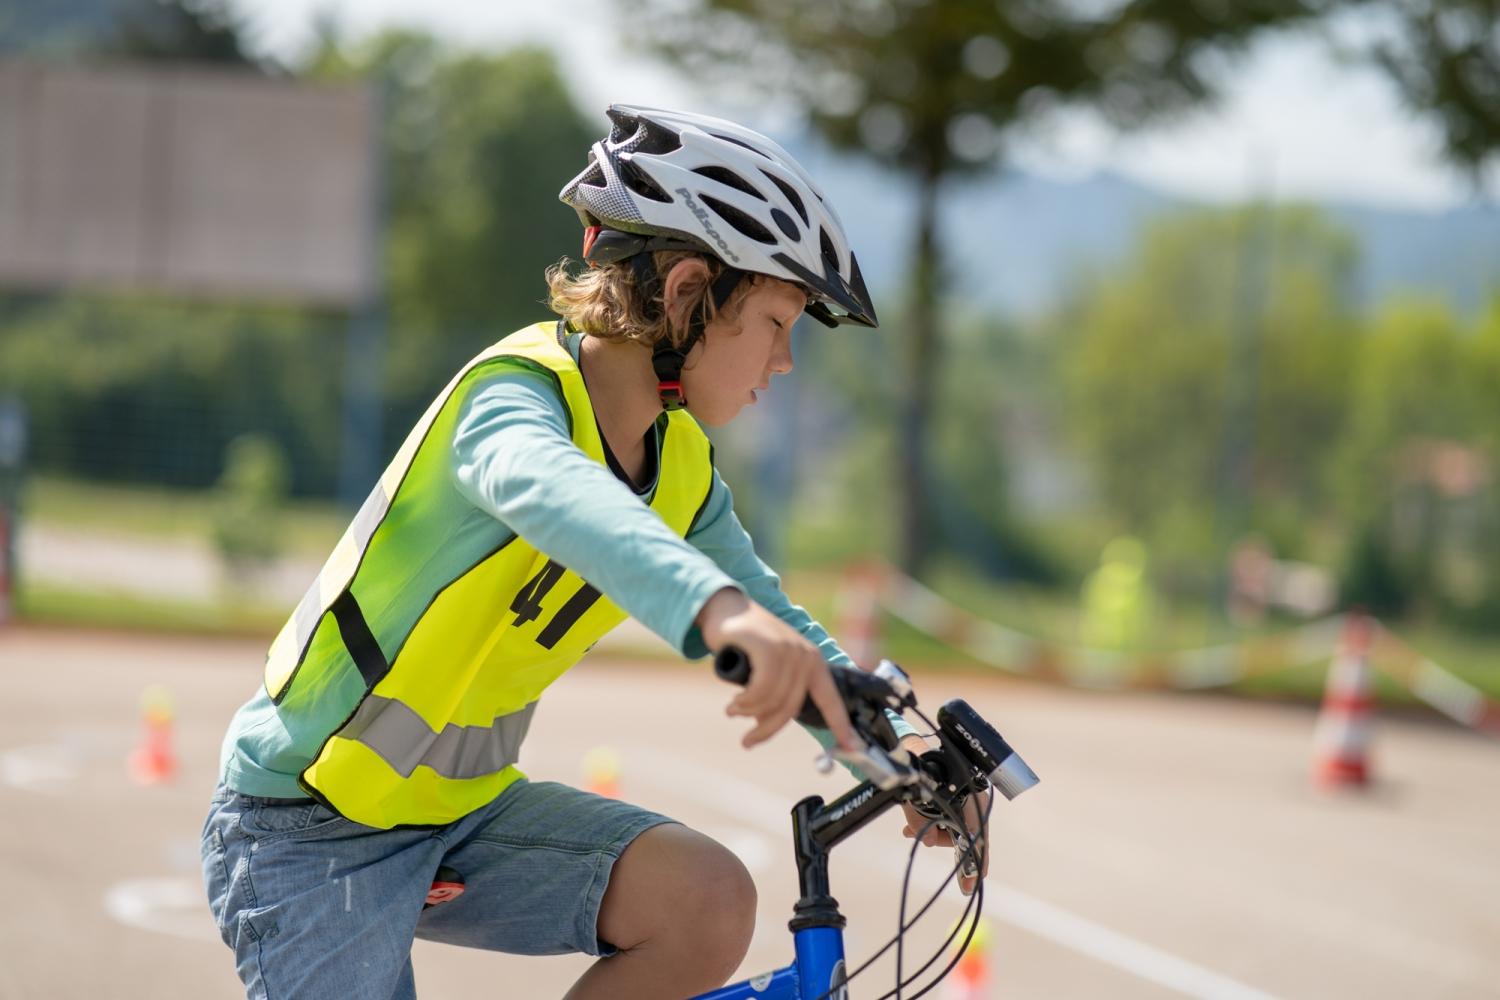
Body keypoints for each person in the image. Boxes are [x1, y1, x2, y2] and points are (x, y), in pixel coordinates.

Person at [201, 104, 988, 1000]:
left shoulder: (682, 468)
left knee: (706, 899)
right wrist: (713, 612)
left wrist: (900, 762)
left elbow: (781, 623)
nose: (785, 363)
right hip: (306, 823)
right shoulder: (513, 396)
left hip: (461, 817)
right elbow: (553, 494)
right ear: (691, 293)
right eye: (777, 322)